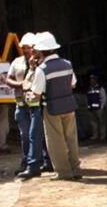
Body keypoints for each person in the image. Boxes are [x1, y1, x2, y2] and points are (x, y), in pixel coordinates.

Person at [31, 32, 82, 180]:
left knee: (55, 140)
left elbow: (36, 93)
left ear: (41, 51)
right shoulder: (67, 64)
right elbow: (73, 84)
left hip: (52, 108)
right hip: (69, 106)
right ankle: (76, 169)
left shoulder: (42, 69)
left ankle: (64, 172)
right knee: (71, 138)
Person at [17, 51, 53, 178]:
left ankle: (33, 166)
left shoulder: (41, 70)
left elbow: (30, 88)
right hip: (35, 107)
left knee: (35, 136)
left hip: (38, 107)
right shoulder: (37, 69)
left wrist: (32, 70)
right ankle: (44, 163)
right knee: (38, 136)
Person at [6, 32, 36, 173]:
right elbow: (8, 79)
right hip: (21, 105)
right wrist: (20, 84)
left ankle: (41, 160)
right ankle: (26, 161)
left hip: (36, 105)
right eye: (24, 47)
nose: (26, 50)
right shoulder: (16, 62)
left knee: (36, 134)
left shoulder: (39, 62)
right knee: (25, 135)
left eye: (29, 47)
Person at [87, 74, 107, 141]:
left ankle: (103, 135)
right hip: (91, 109)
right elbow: (88, 99)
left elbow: (104, 98)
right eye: (91, 79)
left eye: (93, 79)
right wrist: (88, 107)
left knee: (102, 122)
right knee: (93, 123)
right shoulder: (89, 89)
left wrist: (102, 107)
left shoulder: (100, 88)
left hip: (99, 109)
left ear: (96, 80)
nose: (91, 81)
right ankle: (95, 135)